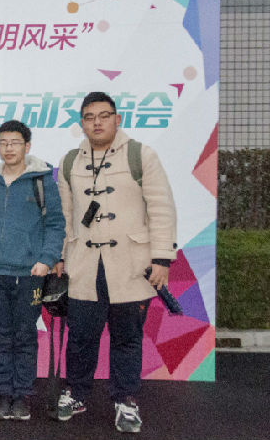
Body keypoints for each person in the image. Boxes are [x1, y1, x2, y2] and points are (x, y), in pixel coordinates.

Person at [54, 91, 177, 433]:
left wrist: (162, 258)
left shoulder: (141, 155)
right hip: (84, 266)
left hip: (131, 266)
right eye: (89, 117)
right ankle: (76, 393)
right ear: (81, 123)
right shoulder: (70, 161)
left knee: (127, 338)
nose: (97, 122)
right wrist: (59, 257)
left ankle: (125, 400)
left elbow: (161, 208)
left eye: (104, 115)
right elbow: (65, 216)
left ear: (117, 119)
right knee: (80, 337)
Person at [0, 120, 65, 420]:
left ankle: (22, 396)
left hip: (30, 273)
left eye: (15, 142)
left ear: (27, 146)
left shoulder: (42, 181)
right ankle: (2, 393)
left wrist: (47, 259)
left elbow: (56, 225)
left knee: (25, 336)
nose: (8, 148)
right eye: (3, 142)